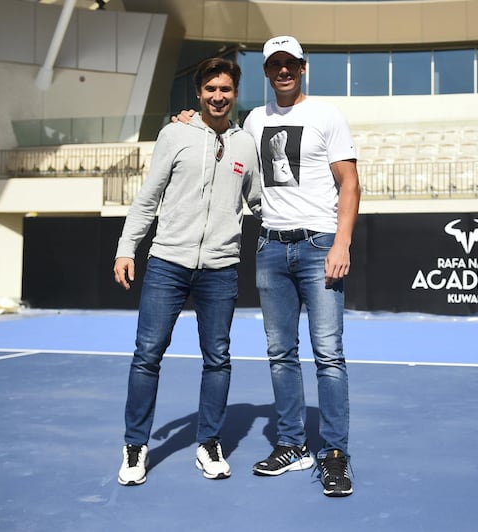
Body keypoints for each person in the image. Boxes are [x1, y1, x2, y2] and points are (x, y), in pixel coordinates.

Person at [176, 35, 360, 496]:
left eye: (290, 64)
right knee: (281, 356)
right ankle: (293, 446)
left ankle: (334, 454)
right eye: (275, 64)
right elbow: (217, 132)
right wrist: (185, 122)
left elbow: (350, 183)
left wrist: (342, 244)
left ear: (302, 67)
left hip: (319, 246)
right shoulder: (255, 119)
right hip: (271, 248)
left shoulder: (327, 116)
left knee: (328, 355)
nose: (283, 70)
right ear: (267, 70)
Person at [114, 57, 261, 486]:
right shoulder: (174, 133)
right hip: (167, 263)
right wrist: (127, 248)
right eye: (211, 89)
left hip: (220, 268)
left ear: (235, 95)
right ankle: (135, 445)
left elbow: (257, 201)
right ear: (198, 93)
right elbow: (148, 197)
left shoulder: (245, 144)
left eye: (226, 90)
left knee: (218, 358)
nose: (218, 96)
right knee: (147, 357)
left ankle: (208, 442)